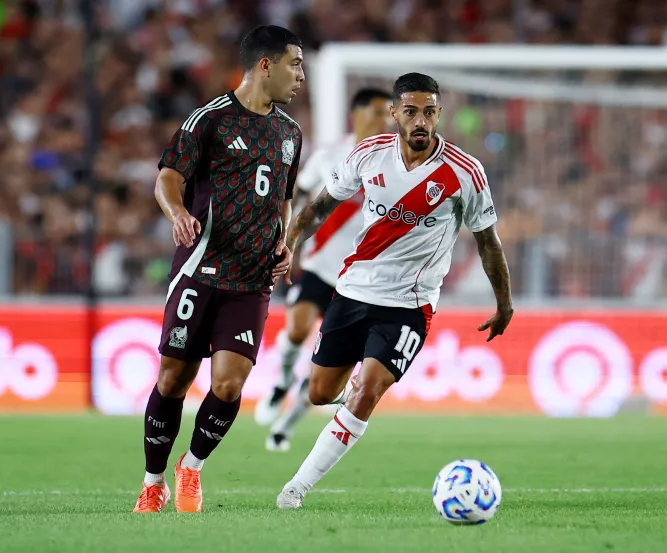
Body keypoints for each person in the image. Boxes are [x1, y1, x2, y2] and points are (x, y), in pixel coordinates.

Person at [274, 73, 514, 509]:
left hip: (408, 304)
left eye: (428, 111)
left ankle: (296, 488)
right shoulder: (367, 155)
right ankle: (347, 390)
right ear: (394, 114)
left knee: (367, 391)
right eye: (410, 111)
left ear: (438, 114)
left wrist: (504, 303)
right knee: (320, 394)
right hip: (352, 291)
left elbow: (488, 242)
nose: (420, 120)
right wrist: (288, 245)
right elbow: (318, 207)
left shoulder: (465, 172)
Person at [133, 25, 305, 513]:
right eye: (294, 64)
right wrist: (178, 213)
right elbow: (167, 177)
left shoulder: (290, 133)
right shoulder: (209, 120)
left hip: (251, 280)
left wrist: (284, 243)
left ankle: (192, 468)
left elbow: (285, 199)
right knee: (172, 380)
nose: (301, 76)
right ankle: (152, 481)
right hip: (200, 268)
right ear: (265, 65)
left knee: (229, 384)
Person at [253, 87, 394, 452]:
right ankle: (281, 383)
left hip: (360, 277)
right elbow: (298, 194)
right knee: (297, 330)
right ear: (358, 115)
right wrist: (288, 239)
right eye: (380, 113)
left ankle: (286, 425)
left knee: (332, 363)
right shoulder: (331, 155)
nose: (387, 120)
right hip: (319, 266)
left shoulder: (396, 161)